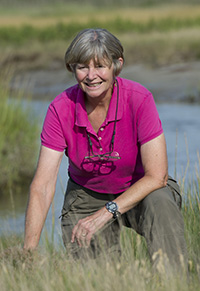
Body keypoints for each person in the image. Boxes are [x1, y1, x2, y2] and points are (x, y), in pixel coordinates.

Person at [24, 28, 187, 272]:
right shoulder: (59, 109)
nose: (91, 76)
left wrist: (106, 213)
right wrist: (28, 253)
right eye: (82, 67)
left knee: (161, 202)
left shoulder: (140, 99)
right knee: (97, 277)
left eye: (99, 66)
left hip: (142, 188)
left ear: (116, 65)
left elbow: (157, 176)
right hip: (87, 193)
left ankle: (175, 285)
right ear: (72, 68)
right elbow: (43, 185)